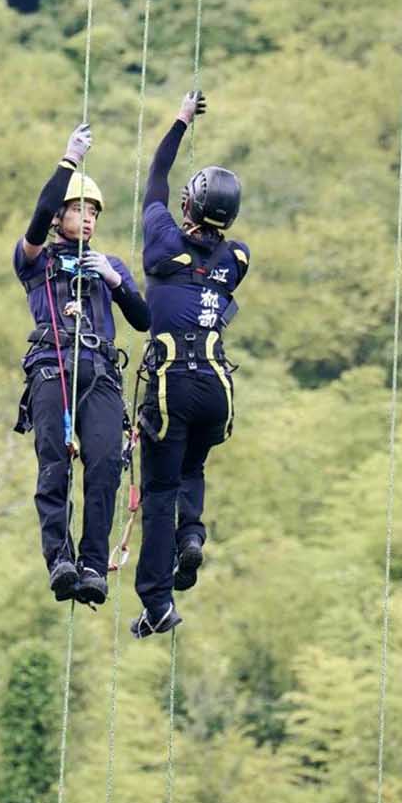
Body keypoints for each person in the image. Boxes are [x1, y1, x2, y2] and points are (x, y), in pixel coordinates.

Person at [13, 123, 151, 606]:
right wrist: (68, 160)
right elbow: (37, 220)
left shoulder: (107, 265)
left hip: (100, 372)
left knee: (106, 465)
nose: (87, 219)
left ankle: (93, 565)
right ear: (60, 216)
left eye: (92, 212)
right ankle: (60, 560)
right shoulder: (36, 260)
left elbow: (142, 319)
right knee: (54, 465)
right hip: (53, 366)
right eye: (78, 209)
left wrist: (114, 280)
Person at [130, 90, 250, 638]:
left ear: (190, 208)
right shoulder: (237, 258)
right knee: (192, 468)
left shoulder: (162, 242)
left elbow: (156, 177)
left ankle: (157, 601)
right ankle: (192, 535)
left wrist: (180, 122)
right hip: (215, 385)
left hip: (170, 382)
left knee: (159, 492)